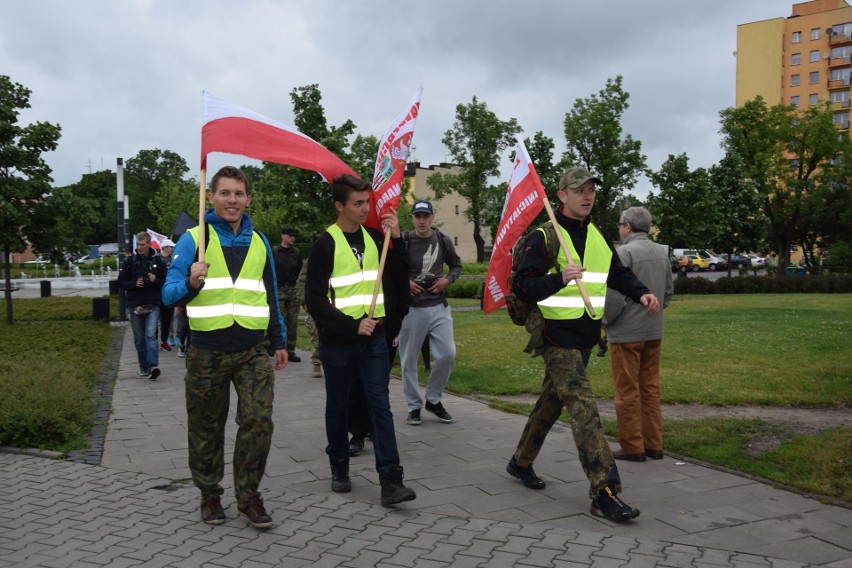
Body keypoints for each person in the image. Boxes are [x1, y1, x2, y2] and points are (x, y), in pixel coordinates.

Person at [506, 167, 660, 523]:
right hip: (555, 338)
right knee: (584, 409)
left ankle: (520, 462)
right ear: (562, 195)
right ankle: (604, 493)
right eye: (579, 190)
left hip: (586, 337)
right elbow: (523, 288)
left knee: (551, 402)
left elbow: (617, 274)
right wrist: (558, 279)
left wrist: (643, 294)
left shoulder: (595, 235)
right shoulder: (543, 237)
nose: (587, 195)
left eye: (591, 189)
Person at [162, 166, 288, 530]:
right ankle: (210, 494)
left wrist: (278, 341)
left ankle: (248, 496)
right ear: (211, 197)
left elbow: (271, 295)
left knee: (258, 420)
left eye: (239, 194)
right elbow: (169, 295)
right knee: (206, 426)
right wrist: (191, 280)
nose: (232, 200)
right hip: (207, 351)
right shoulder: (192, 239)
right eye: (225, 193)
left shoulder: (261, 241)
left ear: (248, 200)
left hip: (252, 348)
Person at [305, 173, 416, 507]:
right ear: (339, 205)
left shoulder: (374, 237)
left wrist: (395, 239)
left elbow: (397, 276)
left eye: (367, 201)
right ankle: (339, 465)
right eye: (358, 203)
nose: (366, 208)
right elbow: (314, 300)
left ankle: (391, 480)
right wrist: (351, 326)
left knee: (379, 404)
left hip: (375, 338)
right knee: (338, 405)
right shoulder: (325, 243)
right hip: (339, 340)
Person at [603, 207, 673, 462]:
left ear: (629, 227)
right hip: (654, 330)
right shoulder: (661, 252)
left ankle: (633, 447)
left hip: (626, 332)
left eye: (620, 224)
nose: (619, 229)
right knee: (650, 388)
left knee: (627, 391)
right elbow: (667, 292)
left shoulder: (624, 252)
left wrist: (604, 322)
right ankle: (654, 444)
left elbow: (613, 297)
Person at [398, 199, 462, 426]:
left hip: (438, 307)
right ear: (413, 219)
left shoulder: (442, 239)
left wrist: (448, 280)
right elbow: (388, 267)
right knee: (408, 360)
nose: (422, 221)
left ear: (432, 218)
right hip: (412, 309)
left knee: (447, 354)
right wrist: (404, 282)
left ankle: (433, 400)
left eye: (426, 216)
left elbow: (457, 265)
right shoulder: (404, 240)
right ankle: (414, 406)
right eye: (418, 216)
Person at [118, 231, 166, 380]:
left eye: (142, 245)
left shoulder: (158, 261)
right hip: (135, 305)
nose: (139, 248)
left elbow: (165, 283)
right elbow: (120, 282)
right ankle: (144, 366)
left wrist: (154, 280)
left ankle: (153, 366)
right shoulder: (130, 262)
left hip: (153, 304)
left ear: (149, 244)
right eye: (137, 245)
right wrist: (134, 284)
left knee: (151, 335)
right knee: (139, 339)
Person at [274, 227, 302, 362]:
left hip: (292, 289)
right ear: (283, 236)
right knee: (281, 319)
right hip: (279, 289)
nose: (293, 238)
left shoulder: (296, 253)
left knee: (293, 321)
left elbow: (299, 270)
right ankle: (278, 346)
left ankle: (291, 350)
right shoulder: (275, 252)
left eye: (294, 236)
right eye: (290, 236)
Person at [296, 258, 322, 378]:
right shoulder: (314, 258)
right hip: (316, 304)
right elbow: (301, 281)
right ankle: (316, 363)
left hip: (337, 305)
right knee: (316, 336)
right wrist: (304, 301)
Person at [159, 239, 176, 352]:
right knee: (157, 318)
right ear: (165, 247)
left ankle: (164, 341)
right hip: (158, 293)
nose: (172, 248)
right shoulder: (158, 259)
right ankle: (153, 341)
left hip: (169, 293)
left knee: (167, 319)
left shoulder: (173, 259)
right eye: (170, 246)